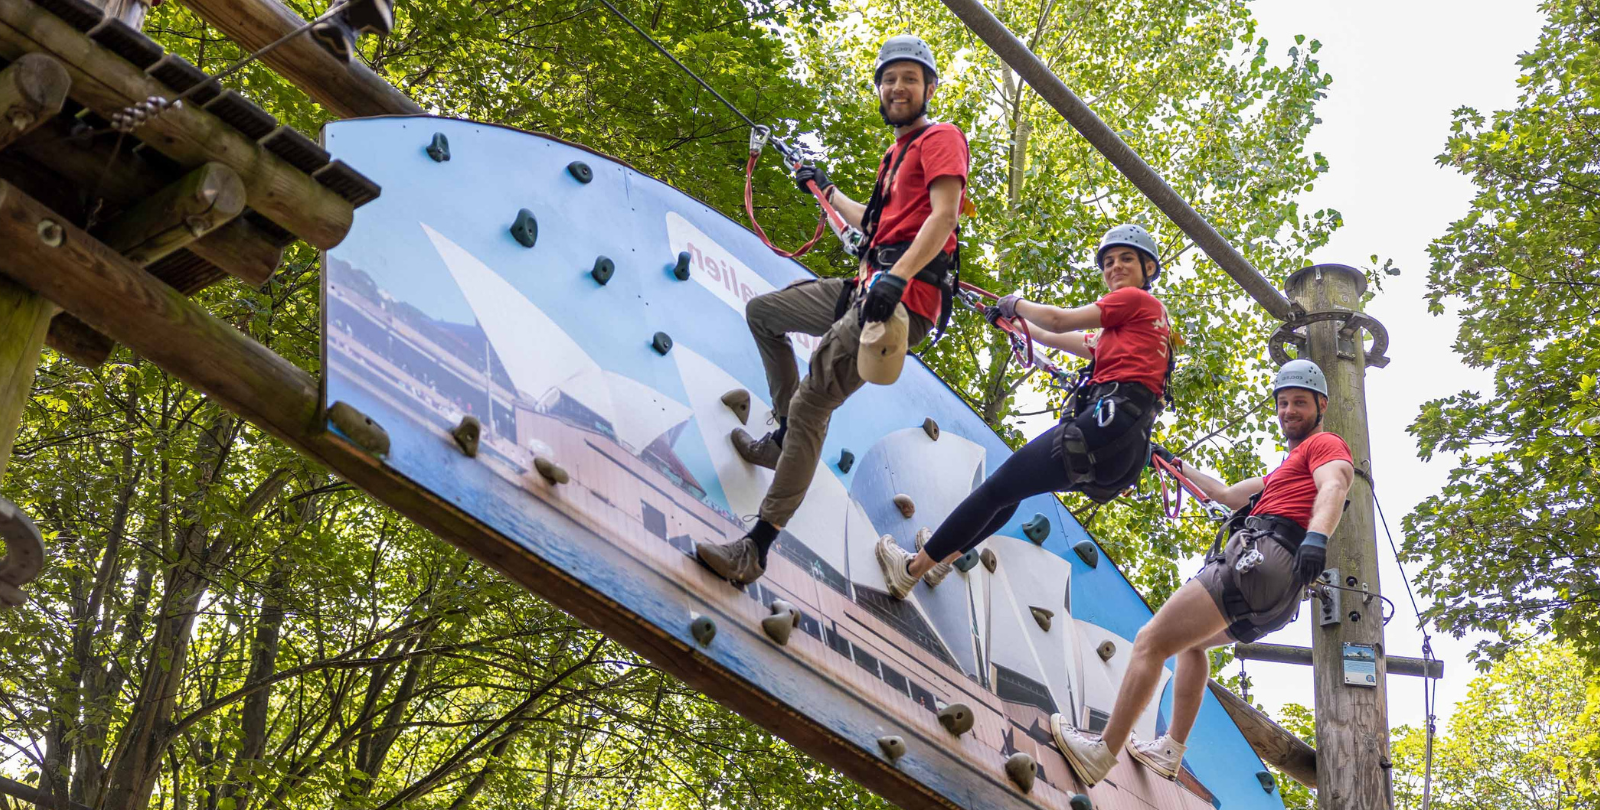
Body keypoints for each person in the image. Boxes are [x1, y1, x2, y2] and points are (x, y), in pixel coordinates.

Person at [696, 35, 970, 585]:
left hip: (899, 298)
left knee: (814, 403)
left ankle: (757, 548)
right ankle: (782, 438)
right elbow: (872, 228)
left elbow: (943, 217)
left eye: (909, 79)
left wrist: (896, 278)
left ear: (929, 89)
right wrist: (823, 188)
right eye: (889, 79)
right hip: (870, 284)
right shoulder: (894, 156)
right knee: (764, 314)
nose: (897, 88)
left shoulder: (941, 138)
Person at [1049, 359, 1355, 787]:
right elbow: (1226, 495)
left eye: (1299, 403)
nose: (1288, 411)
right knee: (1189, 646)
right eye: (1283, 403)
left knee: (1150, 641)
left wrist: (1317, 538)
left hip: (1263, 557)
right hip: (1278, 593)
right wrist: (1170, 462)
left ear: (1321, 405)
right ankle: (1169, 752)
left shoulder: (1323, 446)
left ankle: (1100, 753)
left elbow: (1336, 484)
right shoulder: (1283, 472)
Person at [874, 224, 1175, 598]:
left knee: (996, 489)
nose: (1114, 267)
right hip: (1120, 446)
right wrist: (1011, 321)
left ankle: (911, 569)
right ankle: (938, 560)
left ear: (1148, 269)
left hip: (1103, 427)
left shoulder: (1136, 302)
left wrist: (1015, 303)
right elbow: (1051, 337)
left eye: (1126, 259)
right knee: (1008, 493)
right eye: (1108, 261)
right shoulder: (1134, 330)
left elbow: (1058, 320)